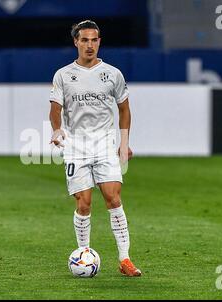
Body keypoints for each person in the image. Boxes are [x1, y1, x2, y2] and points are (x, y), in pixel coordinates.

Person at [49, 20, 141, 277]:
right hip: (76, 147)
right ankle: (84, 254)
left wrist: (124, 143)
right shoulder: (63, 75)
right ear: (76, 42)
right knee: (85, 203)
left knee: (113, 198)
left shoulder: (113, 74)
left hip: (104, 146)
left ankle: (125, 259)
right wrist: (57, 130)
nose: (90, 45)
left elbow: (124, 109)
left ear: (99, 42)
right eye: (84, 40)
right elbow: (55, 109)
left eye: (94, 40)